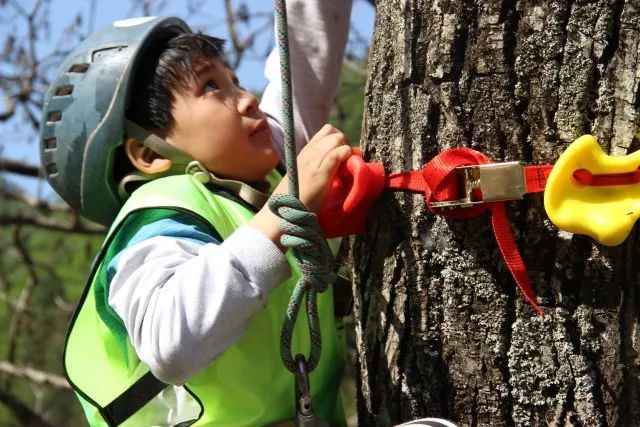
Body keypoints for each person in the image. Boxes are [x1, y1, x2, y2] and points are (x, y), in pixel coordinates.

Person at [40, 2, 353, 426]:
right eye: (210, 87)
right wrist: (279, 217)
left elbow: (299, 58)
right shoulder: (159, 223)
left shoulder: (260, 182)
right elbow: (170, 343)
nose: (246, 100)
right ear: (150, 153)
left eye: (235, 80)